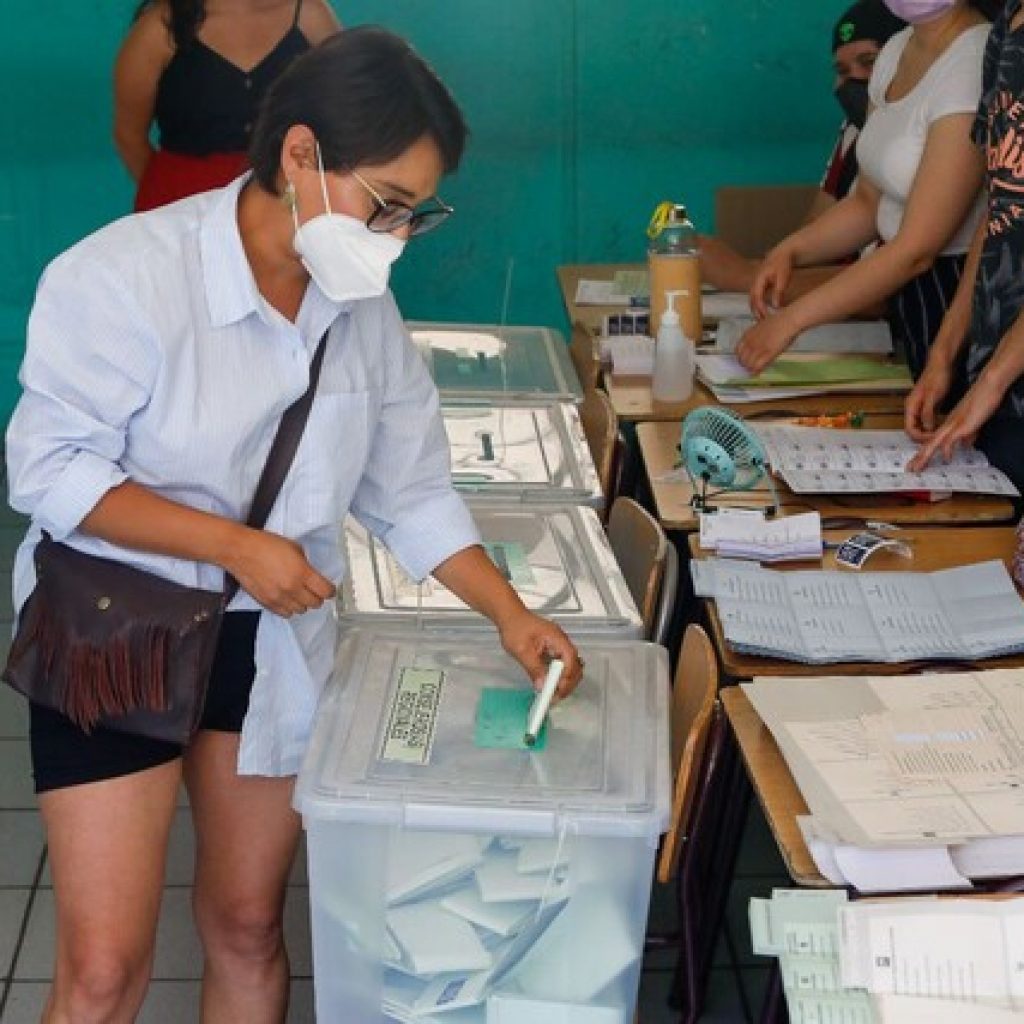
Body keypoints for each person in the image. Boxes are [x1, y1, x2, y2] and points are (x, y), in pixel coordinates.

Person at [7, 26, 583, 1024]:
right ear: (301, 156)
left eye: (416, 214)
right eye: (387, 205)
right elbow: (47, 470)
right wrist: (236, 545)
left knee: (245, 923)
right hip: (115, 630)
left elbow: (410, 493)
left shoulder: (360, 310)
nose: (396, 236)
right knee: (103, 971)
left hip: (266, 643)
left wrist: (508, 613)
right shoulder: (121, 277)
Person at [737, 0, 1003, 378]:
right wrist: (792, 249)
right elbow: (867, 202)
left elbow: (917, 250)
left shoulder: (974, 61)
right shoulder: (897, 48)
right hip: (909, 297)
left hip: (956, 299)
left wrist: (792, 320)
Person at [698, 0, 906, 299]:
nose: (854, 81)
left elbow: (886, 288)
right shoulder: (853, 131)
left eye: (869, 62)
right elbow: (815, 229)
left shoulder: (912, 147)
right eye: (842, 70)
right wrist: (771, 264)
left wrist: (744, 276)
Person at [907, 0, 1024, 495]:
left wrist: (994, 379)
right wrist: (945, 353)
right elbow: (1000, 209)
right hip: (997, 376)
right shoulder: (1008, 24)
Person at [114, 0, 341, 211]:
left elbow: (346, 106)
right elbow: (129, 135)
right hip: (182, 205)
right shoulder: (160, 27)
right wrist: (174, 197)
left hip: (285, 203)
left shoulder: (309, 13)